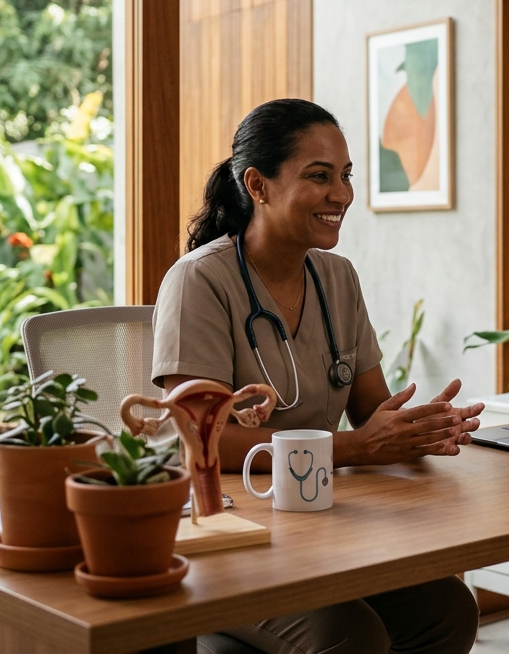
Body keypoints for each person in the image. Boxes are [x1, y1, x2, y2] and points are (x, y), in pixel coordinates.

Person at [152, 98, 483, 654]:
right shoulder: (199, 282)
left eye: (346, 175)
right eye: (319, 176)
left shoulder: (337, 277)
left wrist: (420, 429)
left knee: (449, 610)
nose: (343, 194)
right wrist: (356, 447)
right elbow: (199, 443)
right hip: (228, 540)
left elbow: (372, 410)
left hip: (316, 528)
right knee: (349, 638)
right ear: (257, 185)